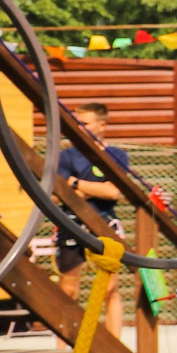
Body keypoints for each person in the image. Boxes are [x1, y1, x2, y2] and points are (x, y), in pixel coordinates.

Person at [55, 102, 130, 339]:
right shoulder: (66, 156)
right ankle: (63, 352)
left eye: (85, 123)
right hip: (71, 222)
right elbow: (59, 192)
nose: (79, 127)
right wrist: (93, 189)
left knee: (110, 288)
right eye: (77, 123)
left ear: (102, 125)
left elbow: (112, 192)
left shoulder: (116, 155)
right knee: (68, 290)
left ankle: (115, 346)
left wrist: (75, 183)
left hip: (104, 221)